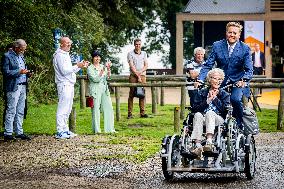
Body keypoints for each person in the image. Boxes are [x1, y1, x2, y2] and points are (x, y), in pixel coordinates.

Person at [197, 22, 253, 129]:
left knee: (235, 99)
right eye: (229, 32)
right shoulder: (217, 45)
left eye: (234, 33)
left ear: (239, 35)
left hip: (238, 82)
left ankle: (240, 125)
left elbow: (249, 69)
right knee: (211, 98)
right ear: (226, 33)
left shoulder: (245, 48)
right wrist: (200, 79)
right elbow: (208, 65)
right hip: (220, 81)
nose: (232, 35)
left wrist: (244, 80)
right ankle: (218, 123)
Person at [53, 36, 89, 139]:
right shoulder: (59, 55)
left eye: (70, 43)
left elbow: (70, 70)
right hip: (64, 84)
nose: (69, 45)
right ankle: (60, 131)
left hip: (69, 84)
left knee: (68, 108)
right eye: (67, 43)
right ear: (61, 44)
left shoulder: (65, 54)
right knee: (62, 108)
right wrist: (77, 65)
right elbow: (64, 71)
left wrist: (81, 66)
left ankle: (65, 130)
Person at [191, 68, 230, 155]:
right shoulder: (202, 92)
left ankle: (209, 142)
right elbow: (195, 108)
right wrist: (208, 100)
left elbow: (224, 110)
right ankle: (198, 145)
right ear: (209, 79)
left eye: (220, 79)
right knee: (197, 114)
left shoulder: (225, 94)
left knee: (210, 113)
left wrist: (215, 98)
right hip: (203, 119)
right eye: (215, 78)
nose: (217, 81)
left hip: (218, 119)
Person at [2, 39, 31, 141]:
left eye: (24, 49)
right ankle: (8, 133)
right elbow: (6, 72)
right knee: (11, 109)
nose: (23, 51)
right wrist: (20, 72)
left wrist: (27, 73)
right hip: (13, 86)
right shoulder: (7, 56)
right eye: (22, 49)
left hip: (23, 85)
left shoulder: (21, 56)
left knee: (20, 110)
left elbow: (23, 69)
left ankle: (19, 132)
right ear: (16, 47)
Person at [87, 50, 115, 133]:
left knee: (108, 108)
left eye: (99, 56)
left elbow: (108, 77)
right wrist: (103, 69)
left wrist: (108, 68)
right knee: (95, 110)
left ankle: (110, 129)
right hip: (95, 90)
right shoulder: (90, 68)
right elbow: (95, 79)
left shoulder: (102, 66)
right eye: (96, 56)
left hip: (104, 89)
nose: (97, 58)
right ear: (93, 58)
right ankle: (97, 130)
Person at [127, 38, 148, 119]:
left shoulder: (144, 53)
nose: (138, 46)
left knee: (142, 94)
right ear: (134, 45)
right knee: (132, 94)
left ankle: (142, 113)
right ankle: (130, 113)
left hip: (142, 76)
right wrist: (137, 75)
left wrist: (140, 74)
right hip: (133, 76)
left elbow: (146, 65)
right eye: (136, 44)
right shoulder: (130, 54)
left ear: (141, 45)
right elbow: (131, 66)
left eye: (139, 44)